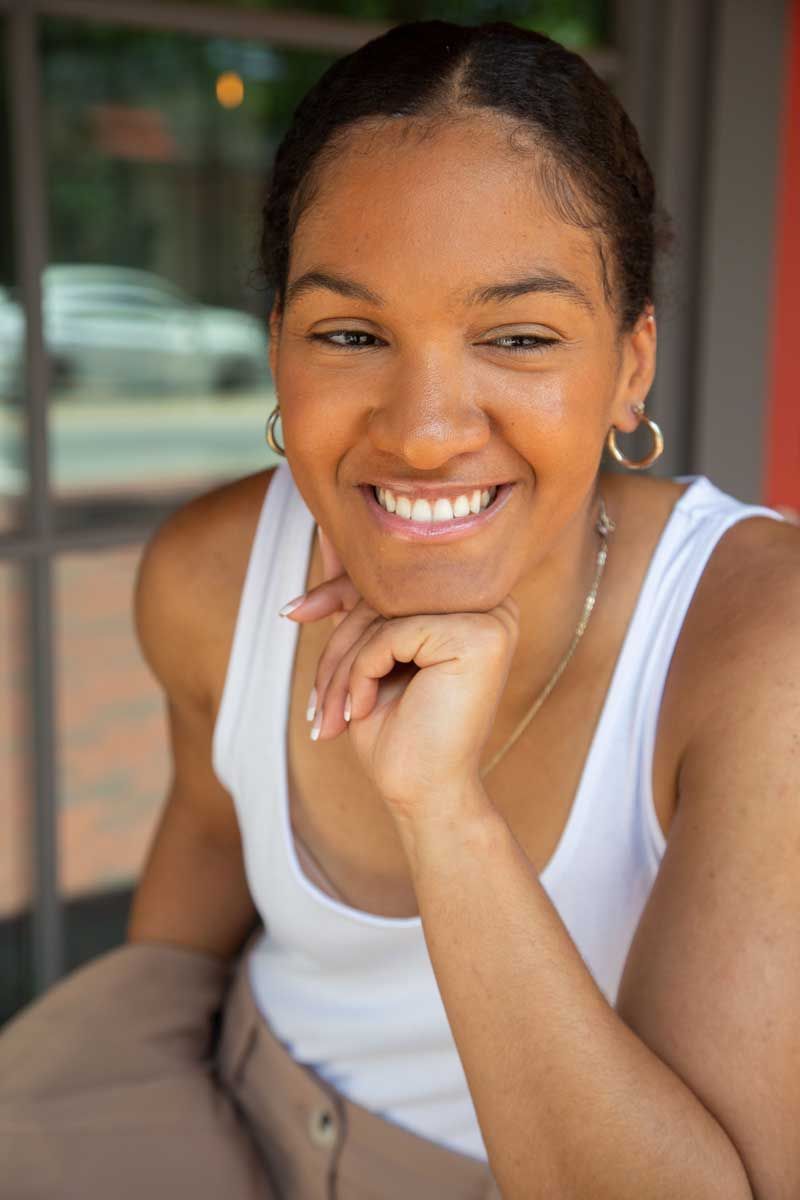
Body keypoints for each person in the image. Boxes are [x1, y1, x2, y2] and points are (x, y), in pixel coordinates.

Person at [1, 18, 799, 1200]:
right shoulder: (210, 576)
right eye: (352, 334)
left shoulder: (754, 648)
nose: (424, 432)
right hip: (235, 1107)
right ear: (276, 349)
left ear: (631, 362)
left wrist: (441, 811)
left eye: (517, 337)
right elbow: (211, 850)